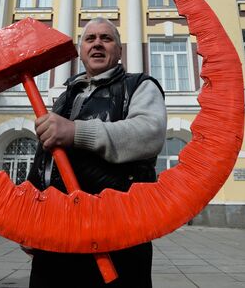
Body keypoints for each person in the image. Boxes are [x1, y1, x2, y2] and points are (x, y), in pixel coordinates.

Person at [27, 17, 167, 287]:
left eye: (106, 38)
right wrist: (28, 220)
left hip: (116, 237)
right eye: (90, 39)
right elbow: (43, 163)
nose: (97, 44)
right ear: (81, 51)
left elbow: (148, 134)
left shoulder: (138, 86)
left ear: (119, 50)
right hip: (54, 235)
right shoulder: (65, 97)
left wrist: (76, 132)